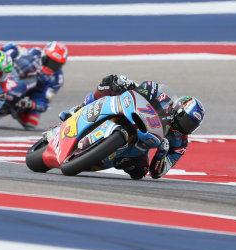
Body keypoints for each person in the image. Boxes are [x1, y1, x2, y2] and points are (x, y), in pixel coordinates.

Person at [60, 74, 205, 179]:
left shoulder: (180, 144)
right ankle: (78, 109)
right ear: (178, 111)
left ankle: (116, 156)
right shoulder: (164, 101)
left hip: (141, 145)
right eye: (186, 121)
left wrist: (161, 154)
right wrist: (129, 84)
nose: (186, 128)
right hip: (137, 116)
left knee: (140, 171)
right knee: (111, 83)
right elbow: (146, 90)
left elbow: (158, 173)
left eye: (191, 126)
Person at [0, 41, 68, 130]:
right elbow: (14, 49)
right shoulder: (34, 52)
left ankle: (14, 108)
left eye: (56, 65)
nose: (51, 67)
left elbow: (45, 103)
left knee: (31, 121)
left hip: (28, 97)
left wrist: (31, 104)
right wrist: (1, 50)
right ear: (44, 55)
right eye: (50, 62)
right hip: (12, 80)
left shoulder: (57, 79)